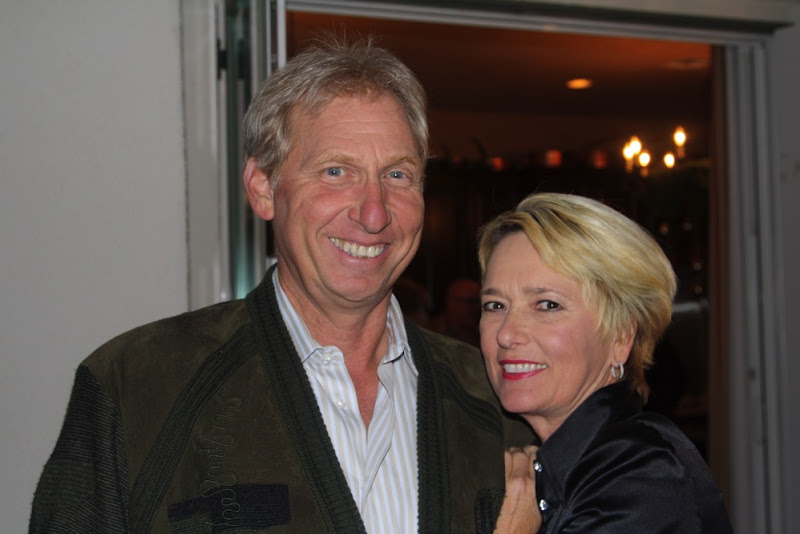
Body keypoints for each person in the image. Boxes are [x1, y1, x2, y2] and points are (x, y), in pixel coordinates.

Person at [30, 36, 532, 533]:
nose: (374, 213)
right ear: (263, 189)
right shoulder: (137, 387)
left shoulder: (498, 397)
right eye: (336, 171)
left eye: (398, 176)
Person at [480, 192, 732, 533]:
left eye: (547, 305)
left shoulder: (643, 478)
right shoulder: (560, 465)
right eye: (495, 305)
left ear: (621, 337)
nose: (507, 334)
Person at [430, 277, 481, 346]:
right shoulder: (432, 333)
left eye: (479, 302)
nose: (477, 307)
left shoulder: (482, 334)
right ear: (452, 303)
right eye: (471, 301)